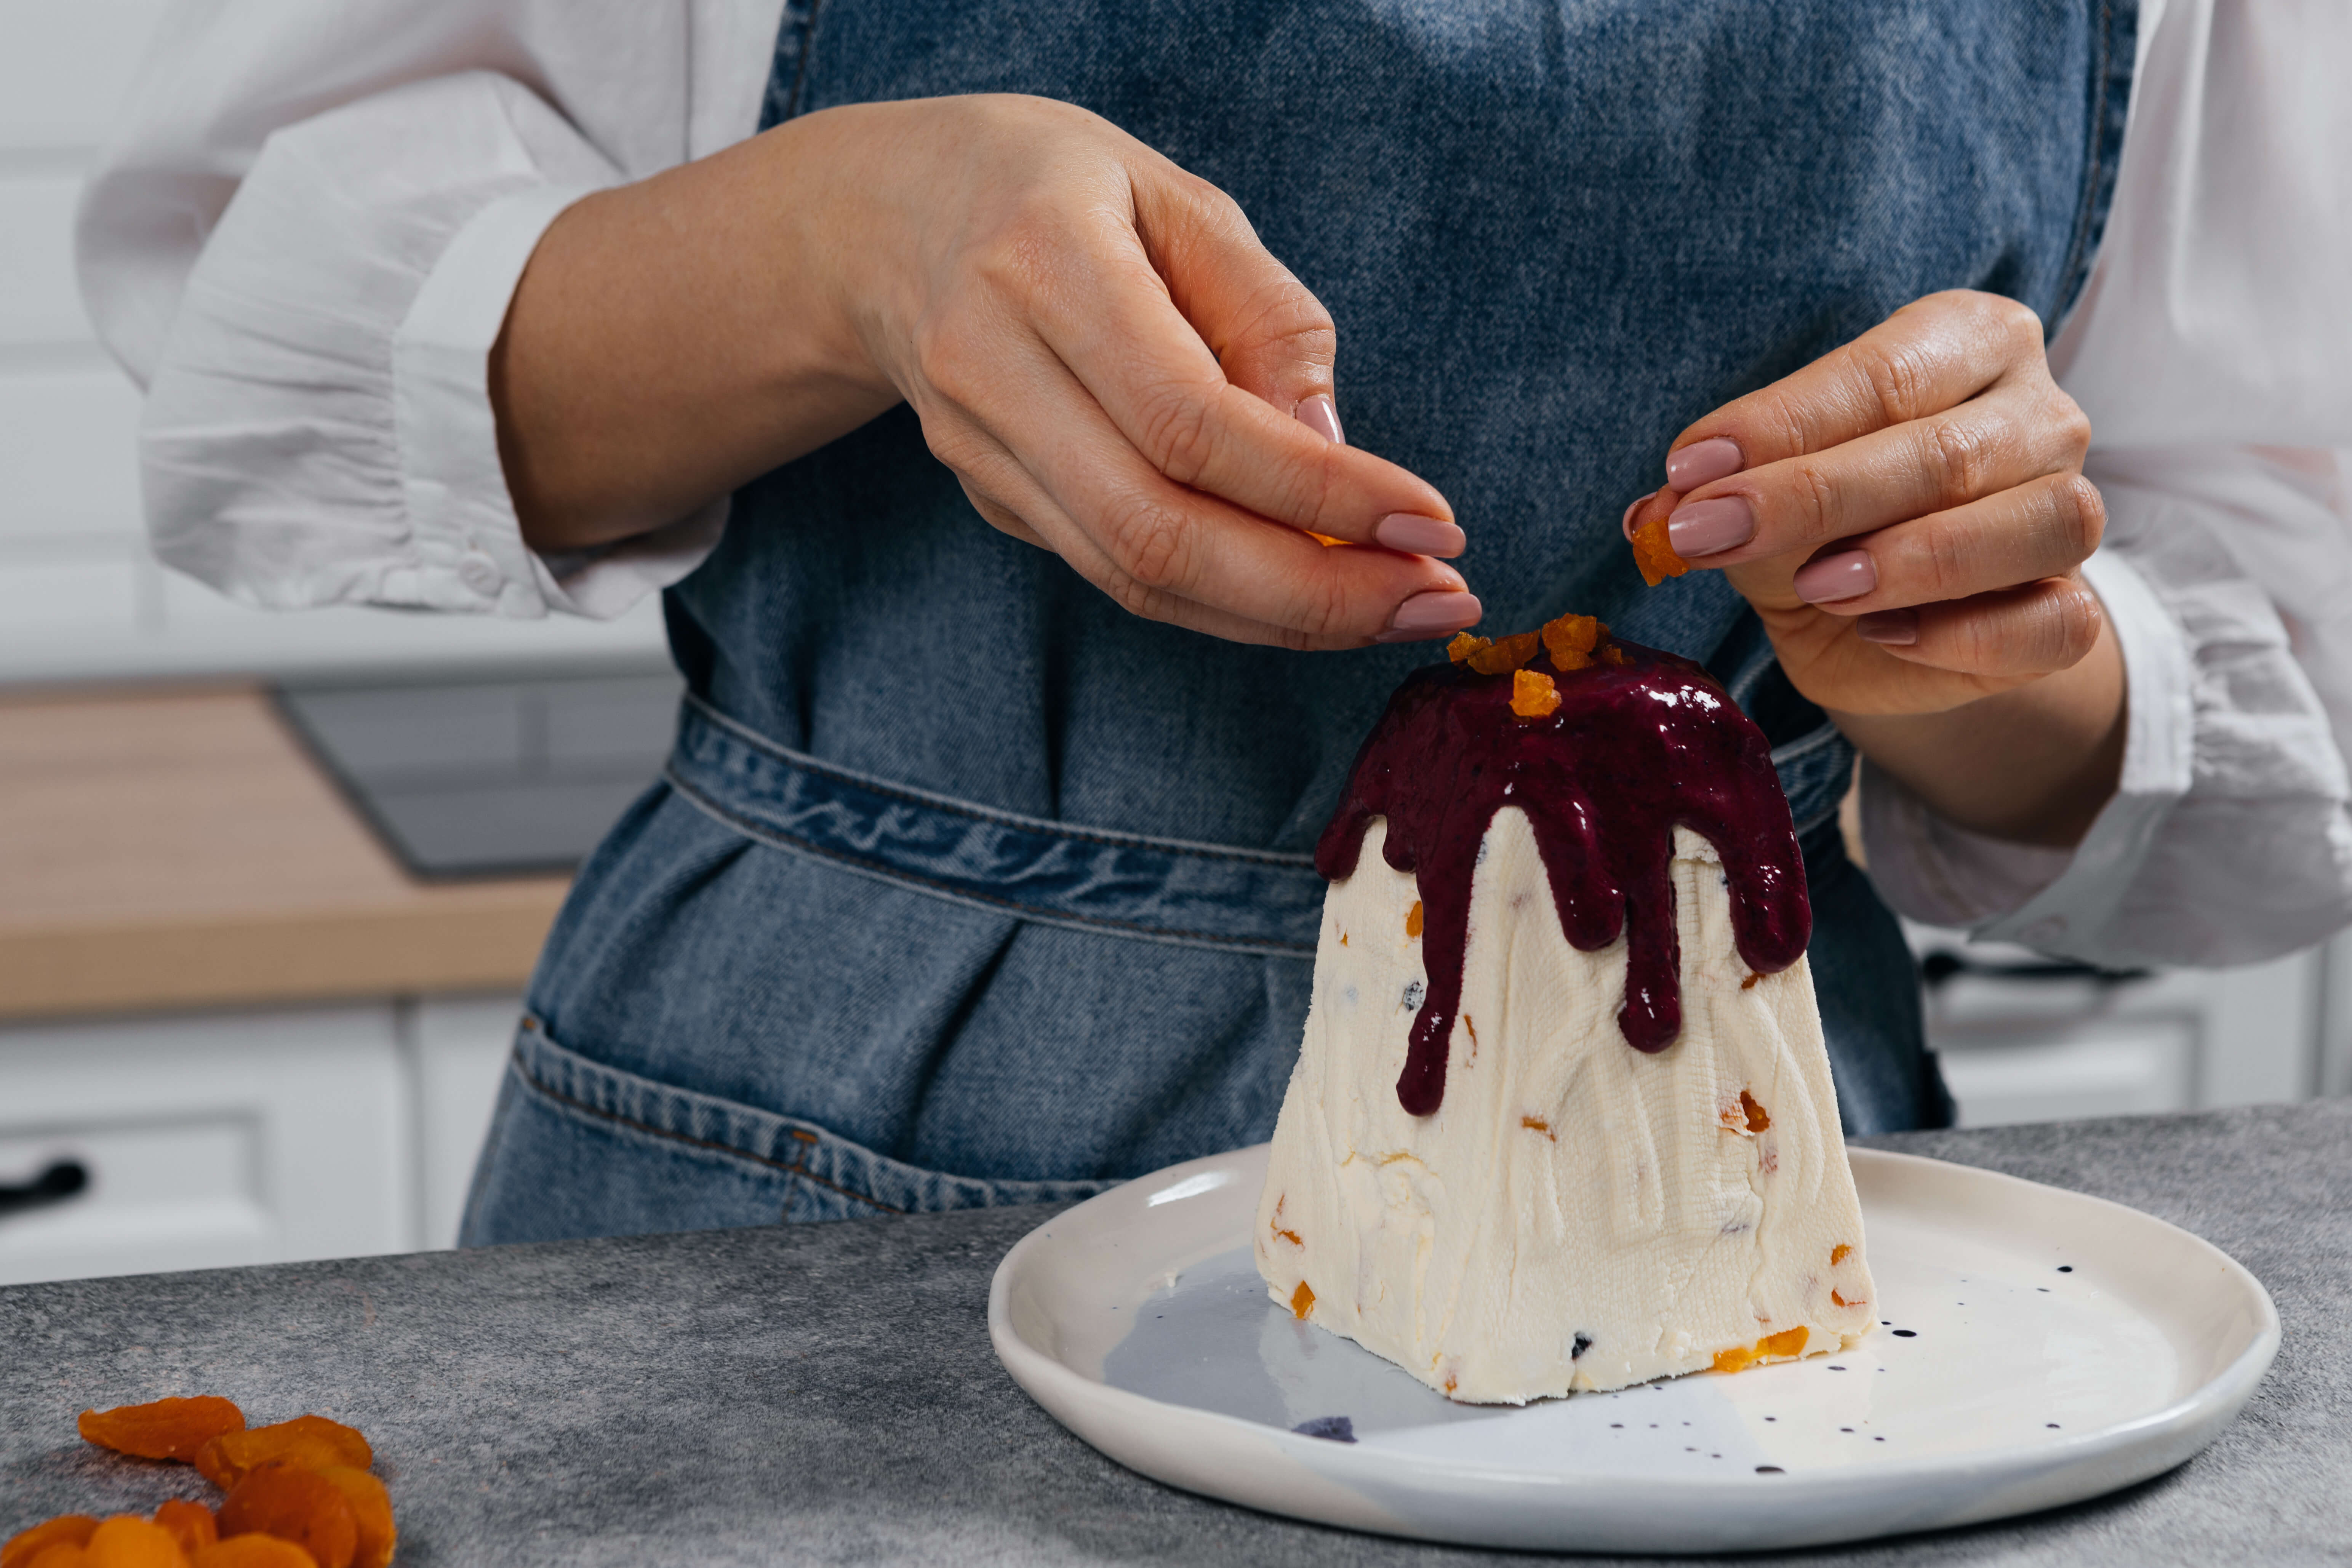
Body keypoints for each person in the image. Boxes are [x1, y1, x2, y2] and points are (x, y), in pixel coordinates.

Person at [77, 0, 2352, 1241]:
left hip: (1718, 1162)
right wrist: (846, 248)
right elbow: (260, 333)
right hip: (801, 1166)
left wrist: (1980, 625)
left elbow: (2254, 699)